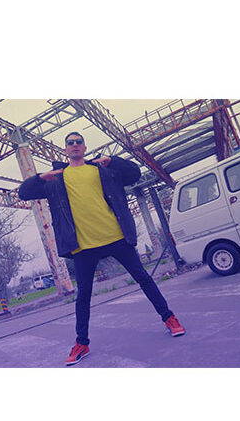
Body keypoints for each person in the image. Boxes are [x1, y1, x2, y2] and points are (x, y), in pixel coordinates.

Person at [18, 132, 185, 366]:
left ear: (84, 147)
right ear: (65, 150)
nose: (75, 145)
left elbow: (134, 174)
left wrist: (113, 160)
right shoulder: (55, 180)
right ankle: (82, 343)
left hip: (116, 236)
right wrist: (39, 177)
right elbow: (24, 193)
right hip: (83, 246)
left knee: (144, 278)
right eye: (70, 143)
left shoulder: (102, 170)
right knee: (83, 296)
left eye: (78, 142)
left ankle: (169, 318)